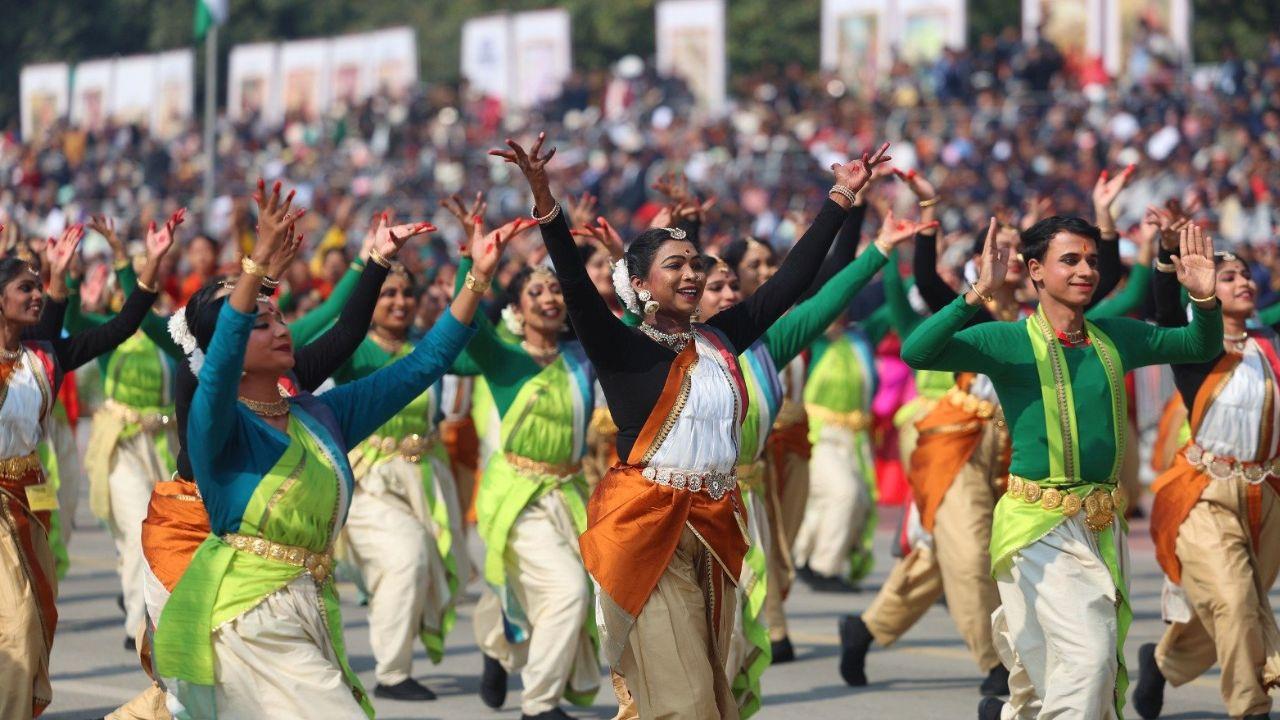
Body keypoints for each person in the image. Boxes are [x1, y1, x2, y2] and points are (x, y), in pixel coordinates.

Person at [496, 130, 890, 719]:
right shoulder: (622, 348)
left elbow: (792, 282)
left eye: (695, 265)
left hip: (715, 526)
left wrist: (841, 197)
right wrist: (545, 202)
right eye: (674, 265)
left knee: (710, 686)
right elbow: (577, 288)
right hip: (646, 528)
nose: (692, 275)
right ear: (641, 283)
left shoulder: (722, 338)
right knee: (685, 699)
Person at [150, 181, 500, 717]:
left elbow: (423, 364)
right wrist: (256, 267)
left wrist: (476, 278)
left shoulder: (321, 415)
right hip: (249, 617)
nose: (281, 327)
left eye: (279, 317)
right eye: (258, 323)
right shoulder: (215, 427)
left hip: (307, 604)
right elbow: (218, 365)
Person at [900, 215, 1223, 720]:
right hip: (1037, 528)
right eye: (1070, 260)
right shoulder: (1007, 341)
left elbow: (1199, 346)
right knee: (1088, 660)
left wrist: (1204, 300)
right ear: (1035, 271)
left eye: (1092, 261)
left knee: (1055, 672)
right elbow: (916, 351)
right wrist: (974, 293)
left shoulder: (1115, 336)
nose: (1086, 271)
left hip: (1099, 526)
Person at [841, 168, 1149, 697]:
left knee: (939, 559)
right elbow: (923, 306)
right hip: (955, 442)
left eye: (1011, 246)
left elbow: (1106, 277)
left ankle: (866, 629)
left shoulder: (1043, 314)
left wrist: (1105, 217)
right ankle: (996, 669)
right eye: (996, 248)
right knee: (966, 553)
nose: (1001, 257)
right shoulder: (973, 309)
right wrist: (931, 208)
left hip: (1010, 450)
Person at [329, 216, 504, 703]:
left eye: (406, 295)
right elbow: (325, 324)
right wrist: (365, 268)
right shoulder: (351, 352)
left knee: (424, 562)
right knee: (403, 557)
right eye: (387, 295)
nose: (400, 302)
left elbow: (484, 348)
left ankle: (395, 651)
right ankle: (391, 672)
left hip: (427, 478)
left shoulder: (424, 351)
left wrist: (474, 265)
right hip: (368, 480)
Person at [0, 221, 170, 719]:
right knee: (18, 625)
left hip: (28, 503)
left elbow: (120, 327)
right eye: (24, 287)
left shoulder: (44, 359)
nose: (37, 295)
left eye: (39, 286)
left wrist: (151, 265)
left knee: (38, 621)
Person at [445, 213, 603, 720]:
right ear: (516, 310)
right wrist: (473, 263)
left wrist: (624, 258)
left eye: (556, 290)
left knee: (546, 589)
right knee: (564, 589)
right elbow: (463, 322)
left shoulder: (581, 358)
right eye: (536, 293)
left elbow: (628, 324)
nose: (550, 298)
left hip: (571, 492)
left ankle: (498, 650)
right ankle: (539, 705)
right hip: (517, 494)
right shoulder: (503, 359)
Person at [1134, 221, 1280, 720]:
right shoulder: (1196, 348)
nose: (1242, 281)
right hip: (1204, 496)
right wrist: (1166, 256)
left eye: (1246, 274)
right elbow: (1165, 308)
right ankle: (1251, 710)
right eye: (1228, 276)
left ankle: (1159, 664)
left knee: (1229, 607)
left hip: (1267, 500)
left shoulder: (1270, 348)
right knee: (1237, 603)